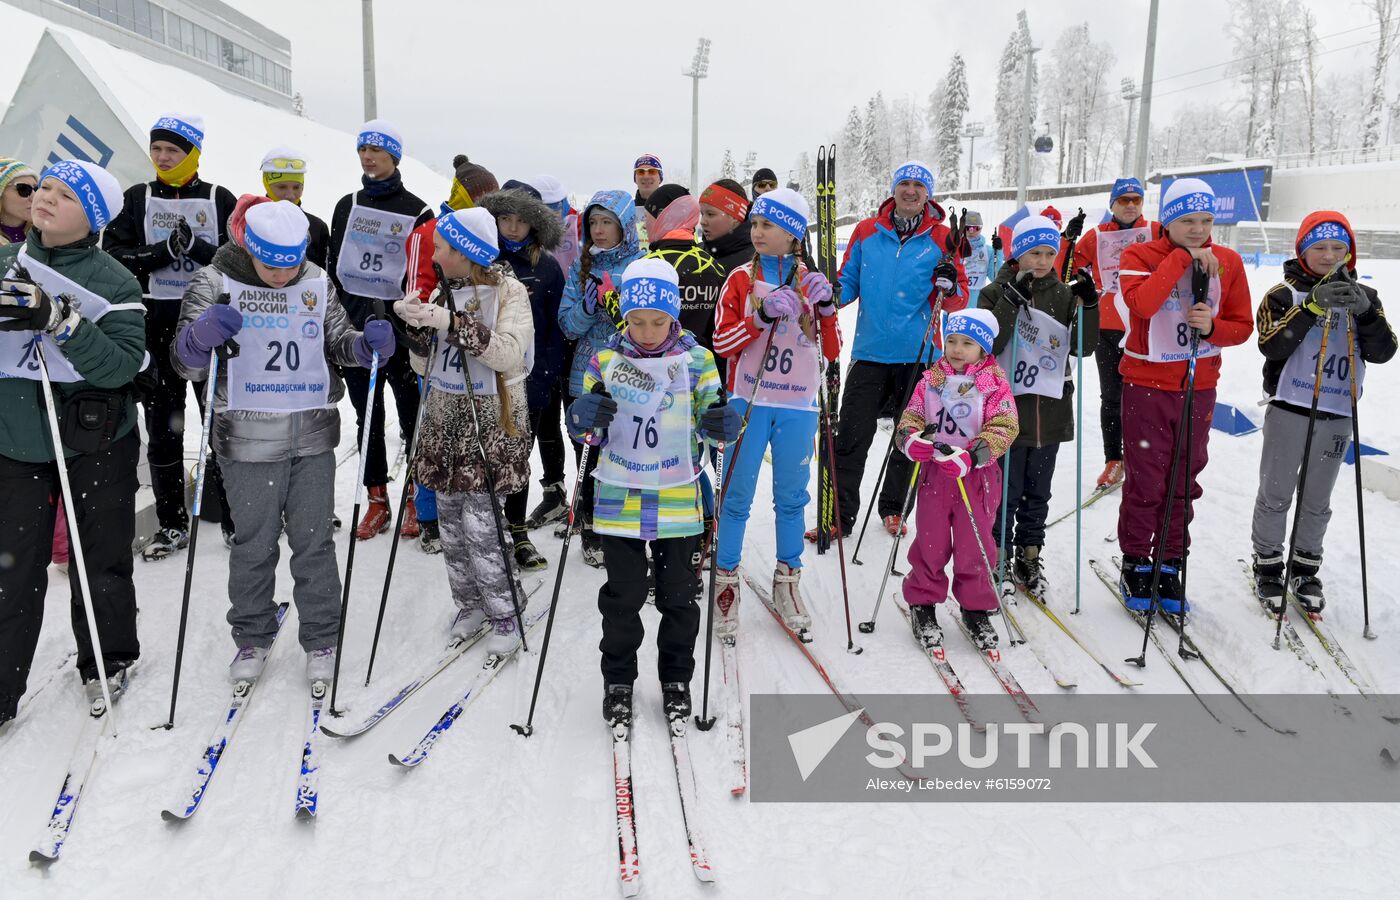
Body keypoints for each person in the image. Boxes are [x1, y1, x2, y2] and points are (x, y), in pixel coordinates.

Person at [173, 199, 391, 683]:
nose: (281, 273)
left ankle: (322, 639)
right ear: (249, 247)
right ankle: (251, 636)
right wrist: (201, 337)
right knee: (254, 544)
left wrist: (364, 345)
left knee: (315, 543)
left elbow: (336, 344)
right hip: (246, 438)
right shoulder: (215, 281)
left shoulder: (315, 279)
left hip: (311, 434)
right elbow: (185, 364)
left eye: (289, 262)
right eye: (270, 263)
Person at [0, 159, 145, 725]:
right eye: (45, 188)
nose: (45, 198)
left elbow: (120, 365)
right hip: (15, 441)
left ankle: (107, 661)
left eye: (64, 195)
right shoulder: (7, 262)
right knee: (12, 570)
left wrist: (59, 318)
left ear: (93, 217)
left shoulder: (115, 280)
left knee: (98, 559)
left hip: (97, 441)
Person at [563, 258, 737, 726]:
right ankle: (618, 679)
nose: (646, 331)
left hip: (678, 497)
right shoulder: (606, 360)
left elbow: (712, 421)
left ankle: (676, 679)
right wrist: (584, 417)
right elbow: (587, 432)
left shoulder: (696, 360)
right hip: (619, 497)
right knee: (623, 596)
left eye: (657, 321)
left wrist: (723, 421)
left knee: (677, 597)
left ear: (673, 315)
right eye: (636, 321)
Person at [395, 207, 533, 655]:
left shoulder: (510, 292)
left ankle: (506, 611)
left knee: (482, 527)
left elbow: (508, 353)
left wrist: (453, 324)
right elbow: (423, 365)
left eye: (441, 248)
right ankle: (470, 602)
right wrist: (416, 329)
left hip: (490, 423)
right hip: (444, 421)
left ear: (465, 252)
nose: (433, 254)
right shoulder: (441, 288)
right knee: (452, 526)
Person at [103, 113, 238, 558]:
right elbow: (115, 257)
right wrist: (162, 251)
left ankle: (235, 516)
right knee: (163, 427)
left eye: (173, 151)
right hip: (155, 328)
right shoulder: (137, 197)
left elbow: (238, 261)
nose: (163, 158)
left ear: (192, 154)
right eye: (157, 149)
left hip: (206, 328)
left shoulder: (218, 197)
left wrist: (198, 249)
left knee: (219, 423)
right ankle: (171, 522)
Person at [1116, 178, 1254, 612]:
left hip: (1198, 385)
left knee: (1184, 475)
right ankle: (1137, 558)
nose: (1198, 229)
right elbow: (1142, 304)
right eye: (1186, 220)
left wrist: (1212, 327)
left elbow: (1242, 325)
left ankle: (1171, 559)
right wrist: (1180, 260)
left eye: (1206, 221)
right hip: (1146, 384)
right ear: (1168, 220)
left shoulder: (1227, 261)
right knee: (1146, 476)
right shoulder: (1139, 254)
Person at [1250, 212, 1397, 612]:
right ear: (1303, 250)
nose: (1329, 255)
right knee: (1277, 491)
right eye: (1320, 247)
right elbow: (1271, 344)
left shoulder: (1365, 295)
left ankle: (1305, 566)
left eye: (1338, 248)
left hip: (1337, 409)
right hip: (1290, 406)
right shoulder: (1283, 294)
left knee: (1317, 497)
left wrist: (1366, 311)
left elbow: (1384, 351)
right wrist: (1313, 306)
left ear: (1349, 254)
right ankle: (1267, 565)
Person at [814, 160, 968, 541]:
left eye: (919, 185)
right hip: (870, 353)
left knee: (911, 439)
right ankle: (840, 516)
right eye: (905, 183)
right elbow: (848, 280)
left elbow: (958, 299)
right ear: (894, 189)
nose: (911, 190)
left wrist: (949, 285)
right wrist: (830, 296)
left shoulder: (943, 238)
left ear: (928, 193)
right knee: (850, 436)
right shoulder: (868, 231)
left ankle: (895, 509)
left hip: (919, 356)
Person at [711, 189, 840, 637]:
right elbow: (722, 345)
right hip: (747, 399)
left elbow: (832, 350)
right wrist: (761, 315)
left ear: (793, 233)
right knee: (735, 496)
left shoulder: (811, 279)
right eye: (755, 224)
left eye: (768, 225)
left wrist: (824, 310)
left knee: (791, 498)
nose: (757, 232)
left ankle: (788, 581)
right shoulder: (740, 280)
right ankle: (725, 581)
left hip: (797, 405)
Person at [980, 215, 1099, 600]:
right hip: (1006, 412)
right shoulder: (994, 291)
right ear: (1018, 253)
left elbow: (1083, 347)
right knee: (1005, 491)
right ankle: (997, 551)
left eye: (1050, 252)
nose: (1043, 260)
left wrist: (1090, 306)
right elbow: (987, 346)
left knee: (1038, 491)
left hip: (1049, 412)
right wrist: (1012, 300)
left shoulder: (1064, 294)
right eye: (1034, 252)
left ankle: (1030, 553)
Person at [327, 120, 433, 541]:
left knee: (411, 419)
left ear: (394, 157)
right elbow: (335, 267)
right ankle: (376, 499)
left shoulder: (417, 209)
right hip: (357, 332)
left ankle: (413, 496)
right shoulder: (346, 204)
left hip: (402, 335)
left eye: (377, 150)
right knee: (367, 418)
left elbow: (423, 277)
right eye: (363, 150)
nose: (369, 157)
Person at [896, 309, 1018, 650]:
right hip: (936, 475)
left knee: (975, 544)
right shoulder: (931, 380)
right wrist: (911, 440)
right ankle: (923, 600)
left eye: (967, 343)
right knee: (931, 541)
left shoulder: (994, 383)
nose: (957, 348)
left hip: (976, 477)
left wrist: (973, 454)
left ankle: (976, 607)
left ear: (984, 349)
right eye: (951, 340)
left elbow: (1005, 427)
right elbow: (912, 416)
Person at [400, 154, 501, 552]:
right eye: (482, 198)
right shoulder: (428, 232)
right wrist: (423, 315)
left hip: (476, 348)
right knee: (434, 433)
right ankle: (428, 515)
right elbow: (413, 288)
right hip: (439, 346)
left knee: (472, 437)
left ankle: (469, 513)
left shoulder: (482, 232)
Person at [479, 181, 565, 572]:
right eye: (504, 219)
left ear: (535, 225)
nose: (512, 228)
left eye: (521, 220)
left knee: (516, 459)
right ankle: (482, 528)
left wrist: (543, 379)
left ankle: (517, 531)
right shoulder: (477, 259)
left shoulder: (546, 267)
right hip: (480, 379)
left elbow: (553, 329)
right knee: (480, 458)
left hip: (525, 381)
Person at [557, 190, 645, 566]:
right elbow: (567, 326)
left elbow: (650, 325)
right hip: (585, 378)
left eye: (606, 221)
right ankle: (591, 525)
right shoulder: (581, 267)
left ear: (624, 225)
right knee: (588, 455)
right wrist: (588, 307)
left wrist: (618, 302)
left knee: (626, 455)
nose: (598, 230)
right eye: (593, 222)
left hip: (630, 378)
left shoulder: (643, 265)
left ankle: (624, 527)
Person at [1073, 177, 1161, 490]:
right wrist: (1068, 242)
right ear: (1112, 204)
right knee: (1112, 397)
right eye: (1123, 200)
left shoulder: (1155, 230)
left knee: (1145, 397)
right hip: (1107, 326)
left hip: (1145, 324)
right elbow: (1067, 267)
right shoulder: (1097, 235)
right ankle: (1115, 460)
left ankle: (1144, 458)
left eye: (1136, 199)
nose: (1130, 205)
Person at [519, 173, 579, 530]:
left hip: (575, 337)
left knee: (577, 420)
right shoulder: (528, 237)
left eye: (557, 208)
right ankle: (554, 490)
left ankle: (583, 492)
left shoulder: (582, 227)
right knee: (545, 418)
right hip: (540, 340)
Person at [258, 147, 331, 269]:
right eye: (282, 187)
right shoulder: (249, 221)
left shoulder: (317, 227)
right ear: (267, 184)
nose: (290, 195)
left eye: (297, 187)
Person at [699, 178, 753, 276]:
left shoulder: (755, 259)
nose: (702, 222)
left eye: (710, 214)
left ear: (735, 217)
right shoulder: (697, 252)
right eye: (702, 214)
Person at [960, 211, 1001, 306]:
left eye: (976, 228)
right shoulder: (955, 248)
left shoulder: (988, 250)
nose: (971, 231)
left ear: (981, 228)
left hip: (977, 303)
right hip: (957, 302)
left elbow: (995, 277)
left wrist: (998, 252)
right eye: (967, 228)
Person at [632, 154, 662, 246]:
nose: (646, 176)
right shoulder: (627, 210)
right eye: (641, 172)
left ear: (660, 178)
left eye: (652, 171)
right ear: (635, 179)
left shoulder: (671, 209)